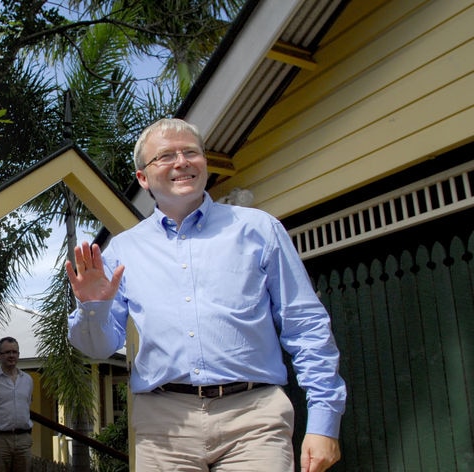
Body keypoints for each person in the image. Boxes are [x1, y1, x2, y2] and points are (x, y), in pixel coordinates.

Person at [65, 118, 346, 472]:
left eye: (191, 152)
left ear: (205, 163)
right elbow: (97, 348)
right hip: (162, 428)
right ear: (142, 178)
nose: (181, 162)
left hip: (254, 419)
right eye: (165, 156)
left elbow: (306, 326)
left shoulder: (259, 230)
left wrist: (324, 420)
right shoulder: (122, 251)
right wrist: (94, 308)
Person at [0, 336, 34, 472]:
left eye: (14, 352)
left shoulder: (28, 380)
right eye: (7, 352)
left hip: (23, 439)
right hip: (0, 439)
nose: (11, 355)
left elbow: (28, 404)